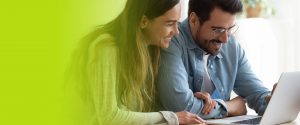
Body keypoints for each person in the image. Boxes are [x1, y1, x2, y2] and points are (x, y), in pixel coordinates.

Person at [66, 0, 205, 124]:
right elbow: (109, 118)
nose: (176, 32)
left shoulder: (151, 49)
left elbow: (143, 113)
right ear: (144, 21)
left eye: (177, 23)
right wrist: (172, 118)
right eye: (169, 24)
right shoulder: (106, 48)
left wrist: (192, 95)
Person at [156, 0, 274, 120]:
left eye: (230, 29)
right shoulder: (171, 41)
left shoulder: (231, 46)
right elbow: (181, 107)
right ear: (194, 20)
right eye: (218, 30)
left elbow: (257, 94)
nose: (225, 39)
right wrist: (230, 107)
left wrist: (273, 99)